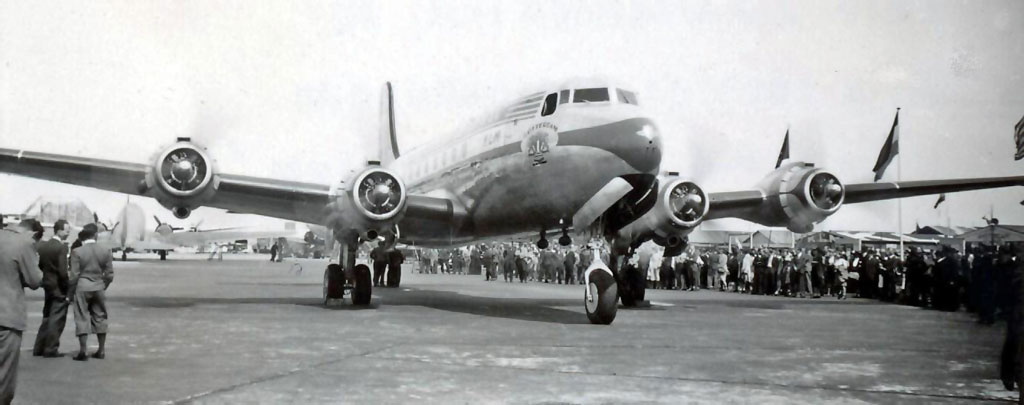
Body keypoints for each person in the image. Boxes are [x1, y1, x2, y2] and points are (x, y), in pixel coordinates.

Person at [1, 219, 43, 404]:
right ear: (33, 234)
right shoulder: (23, 243)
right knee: (4, 375)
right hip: (7, 316)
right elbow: (34, 280)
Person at [68, 224, 114, 361]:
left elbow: (74, 275)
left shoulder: (77, 252)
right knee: (100, 316)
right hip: (98, 286)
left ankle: (83, 351)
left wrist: (70, 293)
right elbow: (110, 274)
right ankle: (101, 350)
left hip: (82, 287)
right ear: (95, 235)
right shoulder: (106, 250)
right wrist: (102, 285)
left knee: (82, 317)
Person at [33, 220, 71, 358]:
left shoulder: (44, 246)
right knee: (57, 319)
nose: (68, 233)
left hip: (47, 285)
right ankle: (50, 348)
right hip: (58, 287)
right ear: (59, 230)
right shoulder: (62, 248)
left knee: (47, 317)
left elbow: (41, 266)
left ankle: (38, 347)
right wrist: (67, 287)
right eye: (67, 230)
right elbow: (62, 271)